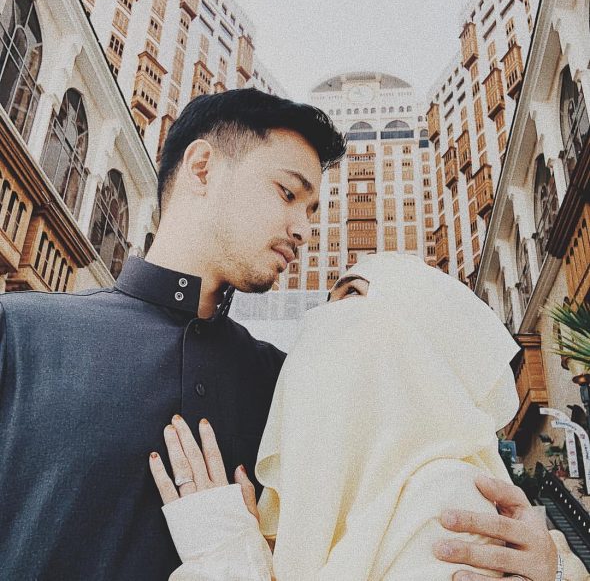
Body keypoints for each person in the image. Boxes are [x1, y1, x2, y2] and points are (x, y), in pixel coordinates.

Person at [0, 89, 567, 578]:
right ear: (202, 166)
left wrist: (550, 567)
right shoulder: (22, 335)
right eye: (288, 193)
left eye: (313, 210)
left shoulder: (299, 387)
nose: (303, 229)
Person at [151, 253, 589, 581]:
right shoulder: (351, 503)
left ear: (416, 337)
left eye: (352, 294)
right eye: (327, 300)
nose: (321, 318)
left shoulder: (449, 499)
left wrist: (225, 556)